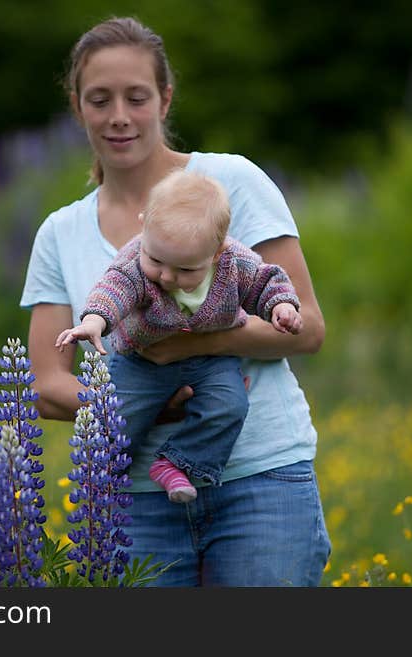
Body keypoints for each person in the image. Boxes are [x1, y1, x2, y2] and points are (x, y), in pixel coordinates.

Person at [21, 16, 332, 586]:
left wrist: (189, 344)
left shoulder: (230, 181)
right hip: (132, 504)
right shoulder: (59, 233)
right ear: (77, 106)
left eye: (136, 96)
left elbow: (307, 328)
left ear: (165, 98)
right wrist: (147, 400)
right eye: (100, 99)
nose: (119, 115)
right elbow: (46, 383)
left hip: (260, 481)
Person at [55, 169, 303, 504]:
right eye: (156, 261)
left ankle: (176, 462)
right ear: (144, 229)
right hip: (141, 359)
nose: (167, 276)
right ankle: (99, 476)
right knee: (117, 416)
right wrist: (96, 321)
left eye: (185, 270)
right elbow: (115, 288)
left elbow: (264, 280)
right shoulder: (134, 259)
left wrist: (281, 305)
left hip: (212, 359)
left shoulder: (233, 261)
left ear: (216, 252)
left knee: (229, 406)